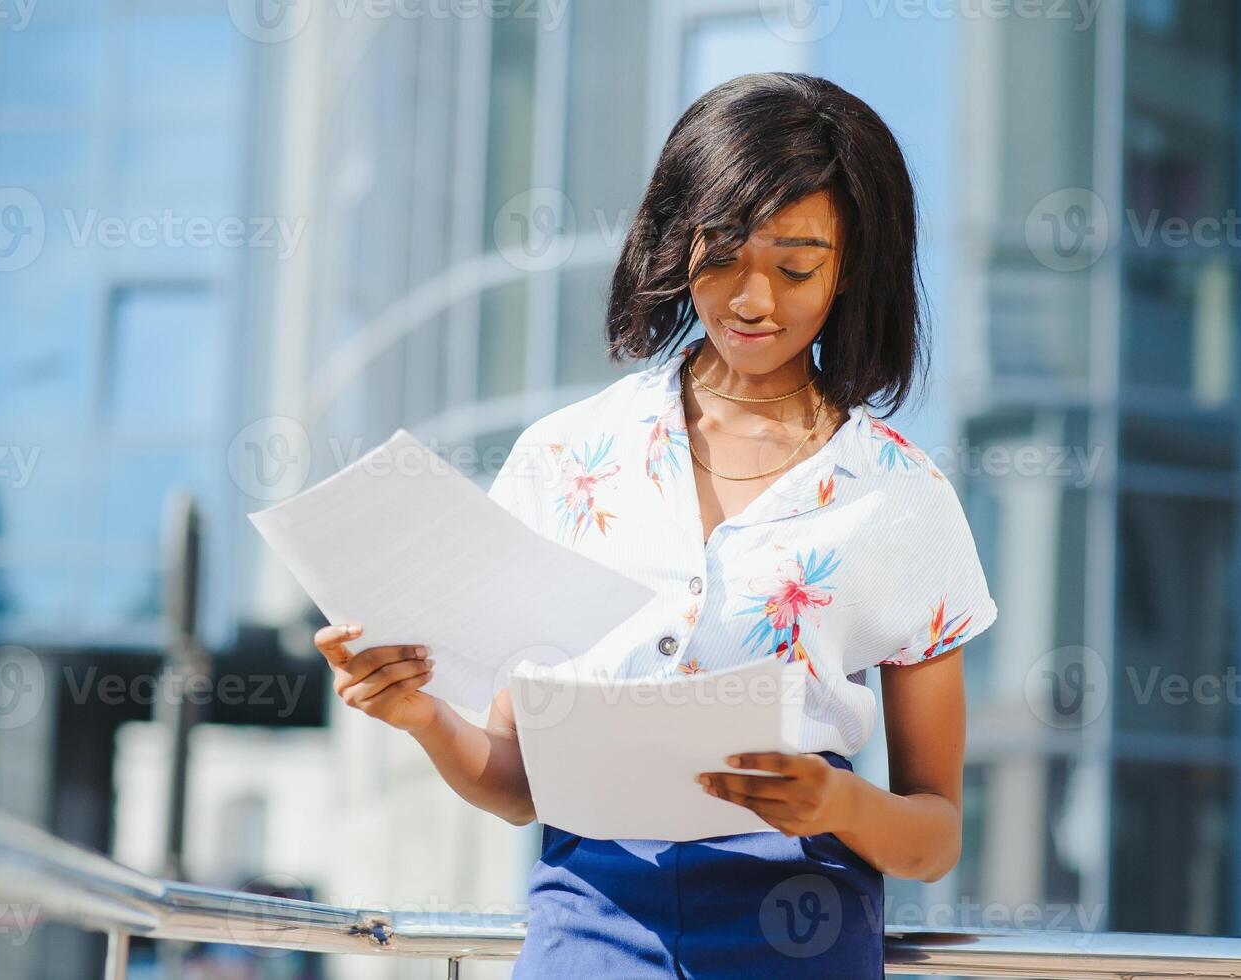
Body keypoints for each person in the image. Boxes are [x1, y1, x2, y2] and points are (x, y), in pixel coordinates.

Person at [312, 72, 997, 978]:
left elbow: (932, 834)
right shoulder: (565, 456)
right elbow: (520, 786)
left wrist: (835, 803)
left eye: (795, 267)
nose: (752, 300)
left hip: (798, 925)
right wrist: (423, 718)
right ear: (676, 242)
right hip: (590, 919)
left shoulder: (901, 496)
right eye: (721, 256)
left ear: (851, 268)